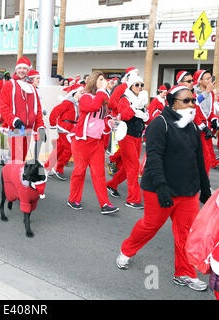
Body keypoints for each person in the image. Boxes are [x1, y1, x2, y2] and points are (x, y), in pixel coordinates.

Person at [116, 85, 211, 292]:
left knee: (186, 233)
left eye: (193, 100)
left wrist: (204, 189)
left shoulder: (192, 126)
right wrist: (161, 188)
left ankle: (185, 273)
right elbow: (154, 159)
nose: (192, 104)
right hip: (160, 189)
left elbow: (198, 160)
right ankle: (126, 250)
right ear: (172, 102)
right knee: (150, 226)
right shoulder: (160, 123)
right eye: (186, 101)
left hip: (188, 191)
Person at [67, 71, 119, 215]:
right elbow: (93, 107)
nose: (104, 81)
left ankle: (105, 204)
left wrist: (111, 122)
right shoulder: (85, 97)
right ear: (94, 81)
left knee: (99, 174)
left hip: (96, 142)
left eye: (104, 79)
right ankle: (73, 199)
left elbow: (103, 118)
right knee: (79, 172)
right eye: (100, 79)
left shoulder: (102, 98)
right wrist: (102, 91)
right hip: (82, 141)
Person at [106, 75, 149, 209]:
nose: (140, 87)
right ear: (130, 85)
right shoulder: (125, 98)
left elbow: (146, 119)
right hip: (126, 136)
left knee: (127, 167)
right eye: (137, 84)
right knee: (133, 167)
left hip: (137, 137)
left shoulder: (140, 100)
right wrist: (136, 106)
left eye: (141, 85)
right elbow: (124, 115)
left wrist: (142, 110)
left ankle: (111, 184)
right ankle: (133, 199)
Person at [0, 57, 46, 162]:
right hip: (15, 128)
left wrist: (40, 127)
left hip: (28, 129)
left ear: (28, 70)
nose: (21, 70)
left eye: (24, 68)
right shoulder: (9, 85)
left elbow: (37, 109)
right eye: (19, 68)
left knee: (22, 157)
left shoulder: (32, 87)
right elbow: (4, 107)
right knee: (17, 158)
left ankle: (13, 177)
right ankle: (15, 178)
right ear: (16, 69)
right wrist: (14, 121)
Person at [45, 84, 83, 180]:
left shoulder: (78, 104)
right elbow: (54, 112)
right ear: (75, 92)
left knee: (59, 149)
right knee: (70, 149)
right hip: (64, 128)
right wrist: (53, 125)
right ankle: (59, 168)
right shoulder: (68, 102)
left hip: (71, 130)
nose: (83, 93)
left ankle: (47, 167)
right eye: (81, 92)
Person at [193, 69, 219, 171]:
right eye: (207, 78)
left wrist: (213, 120)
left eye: (210, 78)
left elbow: (210, 111)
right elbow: (195, 104)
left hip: (207, 128)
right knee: (200, 156)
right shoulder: (193, 92)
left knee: (207, 156)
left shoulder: (211, 94)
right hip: (198, 127)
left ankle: (205, 183)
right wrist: (207, 91)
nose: (210, 80)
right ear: (200, 81)